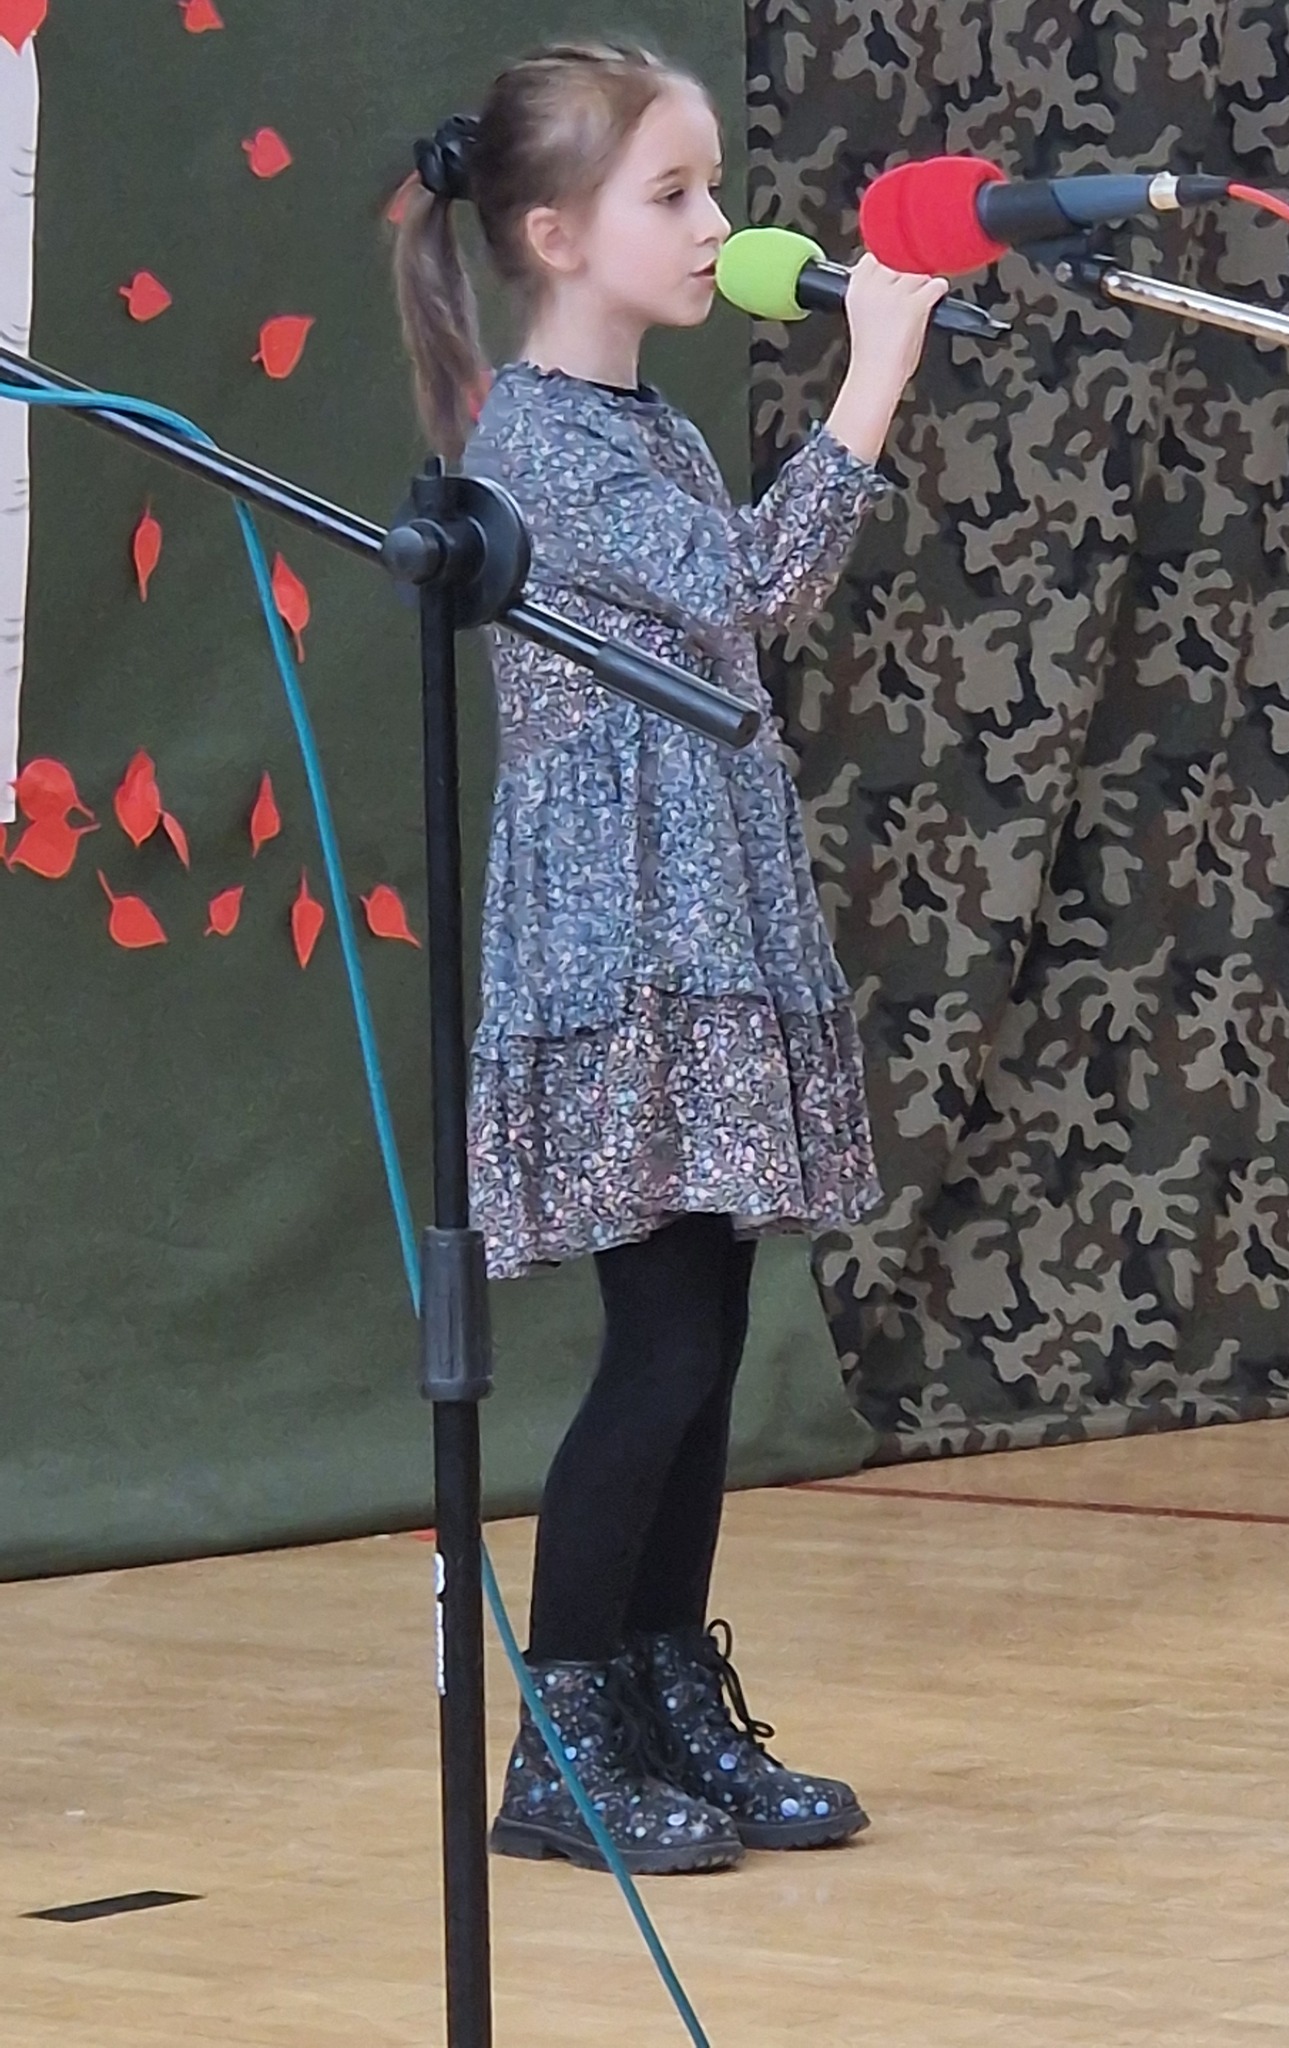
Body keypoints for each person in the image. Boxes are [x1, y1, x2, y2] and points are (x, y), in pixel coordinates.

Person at [393, 40, 945, 1877]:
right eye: (674, 194)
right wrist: (872, 382)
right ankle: (560, 1742)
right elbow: (746, 589)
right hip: (623, 934)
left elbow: (730, 616)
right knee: (662, 1340)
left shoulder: (657, 430)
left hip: (707, 908)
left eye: (716, 188)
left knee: (708, 1331)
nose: (720, 224)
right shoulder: (537, 444)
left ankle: (661, 1690)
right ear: (555, 235)